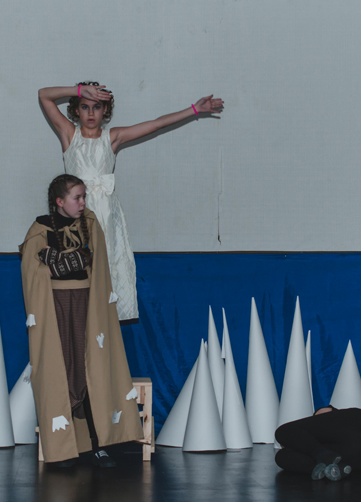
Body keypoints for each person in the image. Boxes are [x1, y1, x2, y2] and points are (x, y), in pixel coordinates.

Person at [37, 82, 225, 323]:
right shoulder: (69, 134)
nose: (91, 113)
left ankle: (103, 328)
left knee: (109, 269)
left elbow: (156, 124)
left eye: (97, 107)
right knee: (77, 271)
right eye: (85, 107)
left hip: (107, 217)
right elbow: (44, 95)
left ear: (105, 110)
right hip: (76, 216)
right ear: (76, 110)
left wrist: (194, 109)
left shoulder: (112, 138)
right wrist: (79, 90)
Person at [20, 175, 143, 467]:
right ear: (59, 201)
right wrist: (69, 262)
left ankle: (97, 445)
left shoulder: (90, 224)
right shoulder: (40, 229)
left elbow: (93, 264)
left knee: (91, 370)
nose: (83, 202)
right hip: (56, 307)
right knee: (63, 370)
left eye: (84, 196)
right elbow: (34, 268)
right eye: (77, 197)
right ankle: (64, 449)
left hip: (87, 306)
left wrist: (58, 261)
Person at [274, 406, 361, 480]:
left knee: (282, 433)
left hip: (360, 428)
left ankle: (324, 456)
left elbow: (324, 413)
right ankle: (330, 466)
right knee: (281, 457)